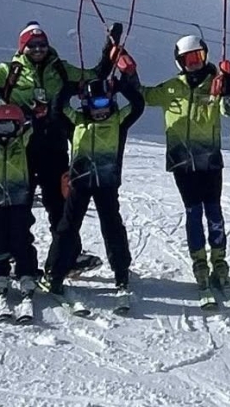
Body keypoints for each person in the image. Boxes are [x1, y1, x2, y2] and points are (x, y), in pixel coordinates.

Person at [0, 21, 114, 275]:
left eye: (42, 44)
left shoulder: (60, 68)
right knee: (18, 206)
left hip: (55, 147)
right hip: (19, 150)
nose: (38, 49)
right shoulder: (8, 72)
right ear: (22, 47)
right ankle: (13, 256)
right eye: (32, 45)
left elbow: (94, 76)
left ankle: (68, 257)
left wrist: (109, 50)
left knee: (59, 204)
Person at [141, 35, 230, 294]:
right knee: (193, 213)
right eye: (189, 59)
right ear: (180, 62)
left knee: (214, 212)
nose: (195, 62)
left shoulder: (215, 83)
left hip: (209, 161)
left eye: (199, 57)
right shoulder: (171, 88)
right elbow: (144, 96)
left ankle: (219, 260)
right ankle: (199, 261)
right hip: (182, 163)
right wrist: (126, 76)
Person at [44, 67, 143, 300]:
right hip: (80, 183)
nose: (100, 110)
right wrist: (73, 88)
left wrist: (121, 86)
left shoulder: (119, 121)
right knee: (67, 227)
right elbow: (56, 107)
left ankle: (121, 272)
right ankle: (56, 274)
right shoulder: (76, 121)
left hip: (107, 183)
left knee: (112, 225)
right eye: (95, 104)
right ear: (86, 104)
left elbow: (138, 105)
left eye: (104, 104)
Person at [0, 104, 39, 315]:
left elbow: (36, 129)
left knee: (20, 237)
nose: (6, 133)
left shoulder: (23, 144)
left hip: (19, 201)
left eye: (11, 127)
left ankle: (26, 272)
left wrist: (33, 114)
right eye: (1, 127)